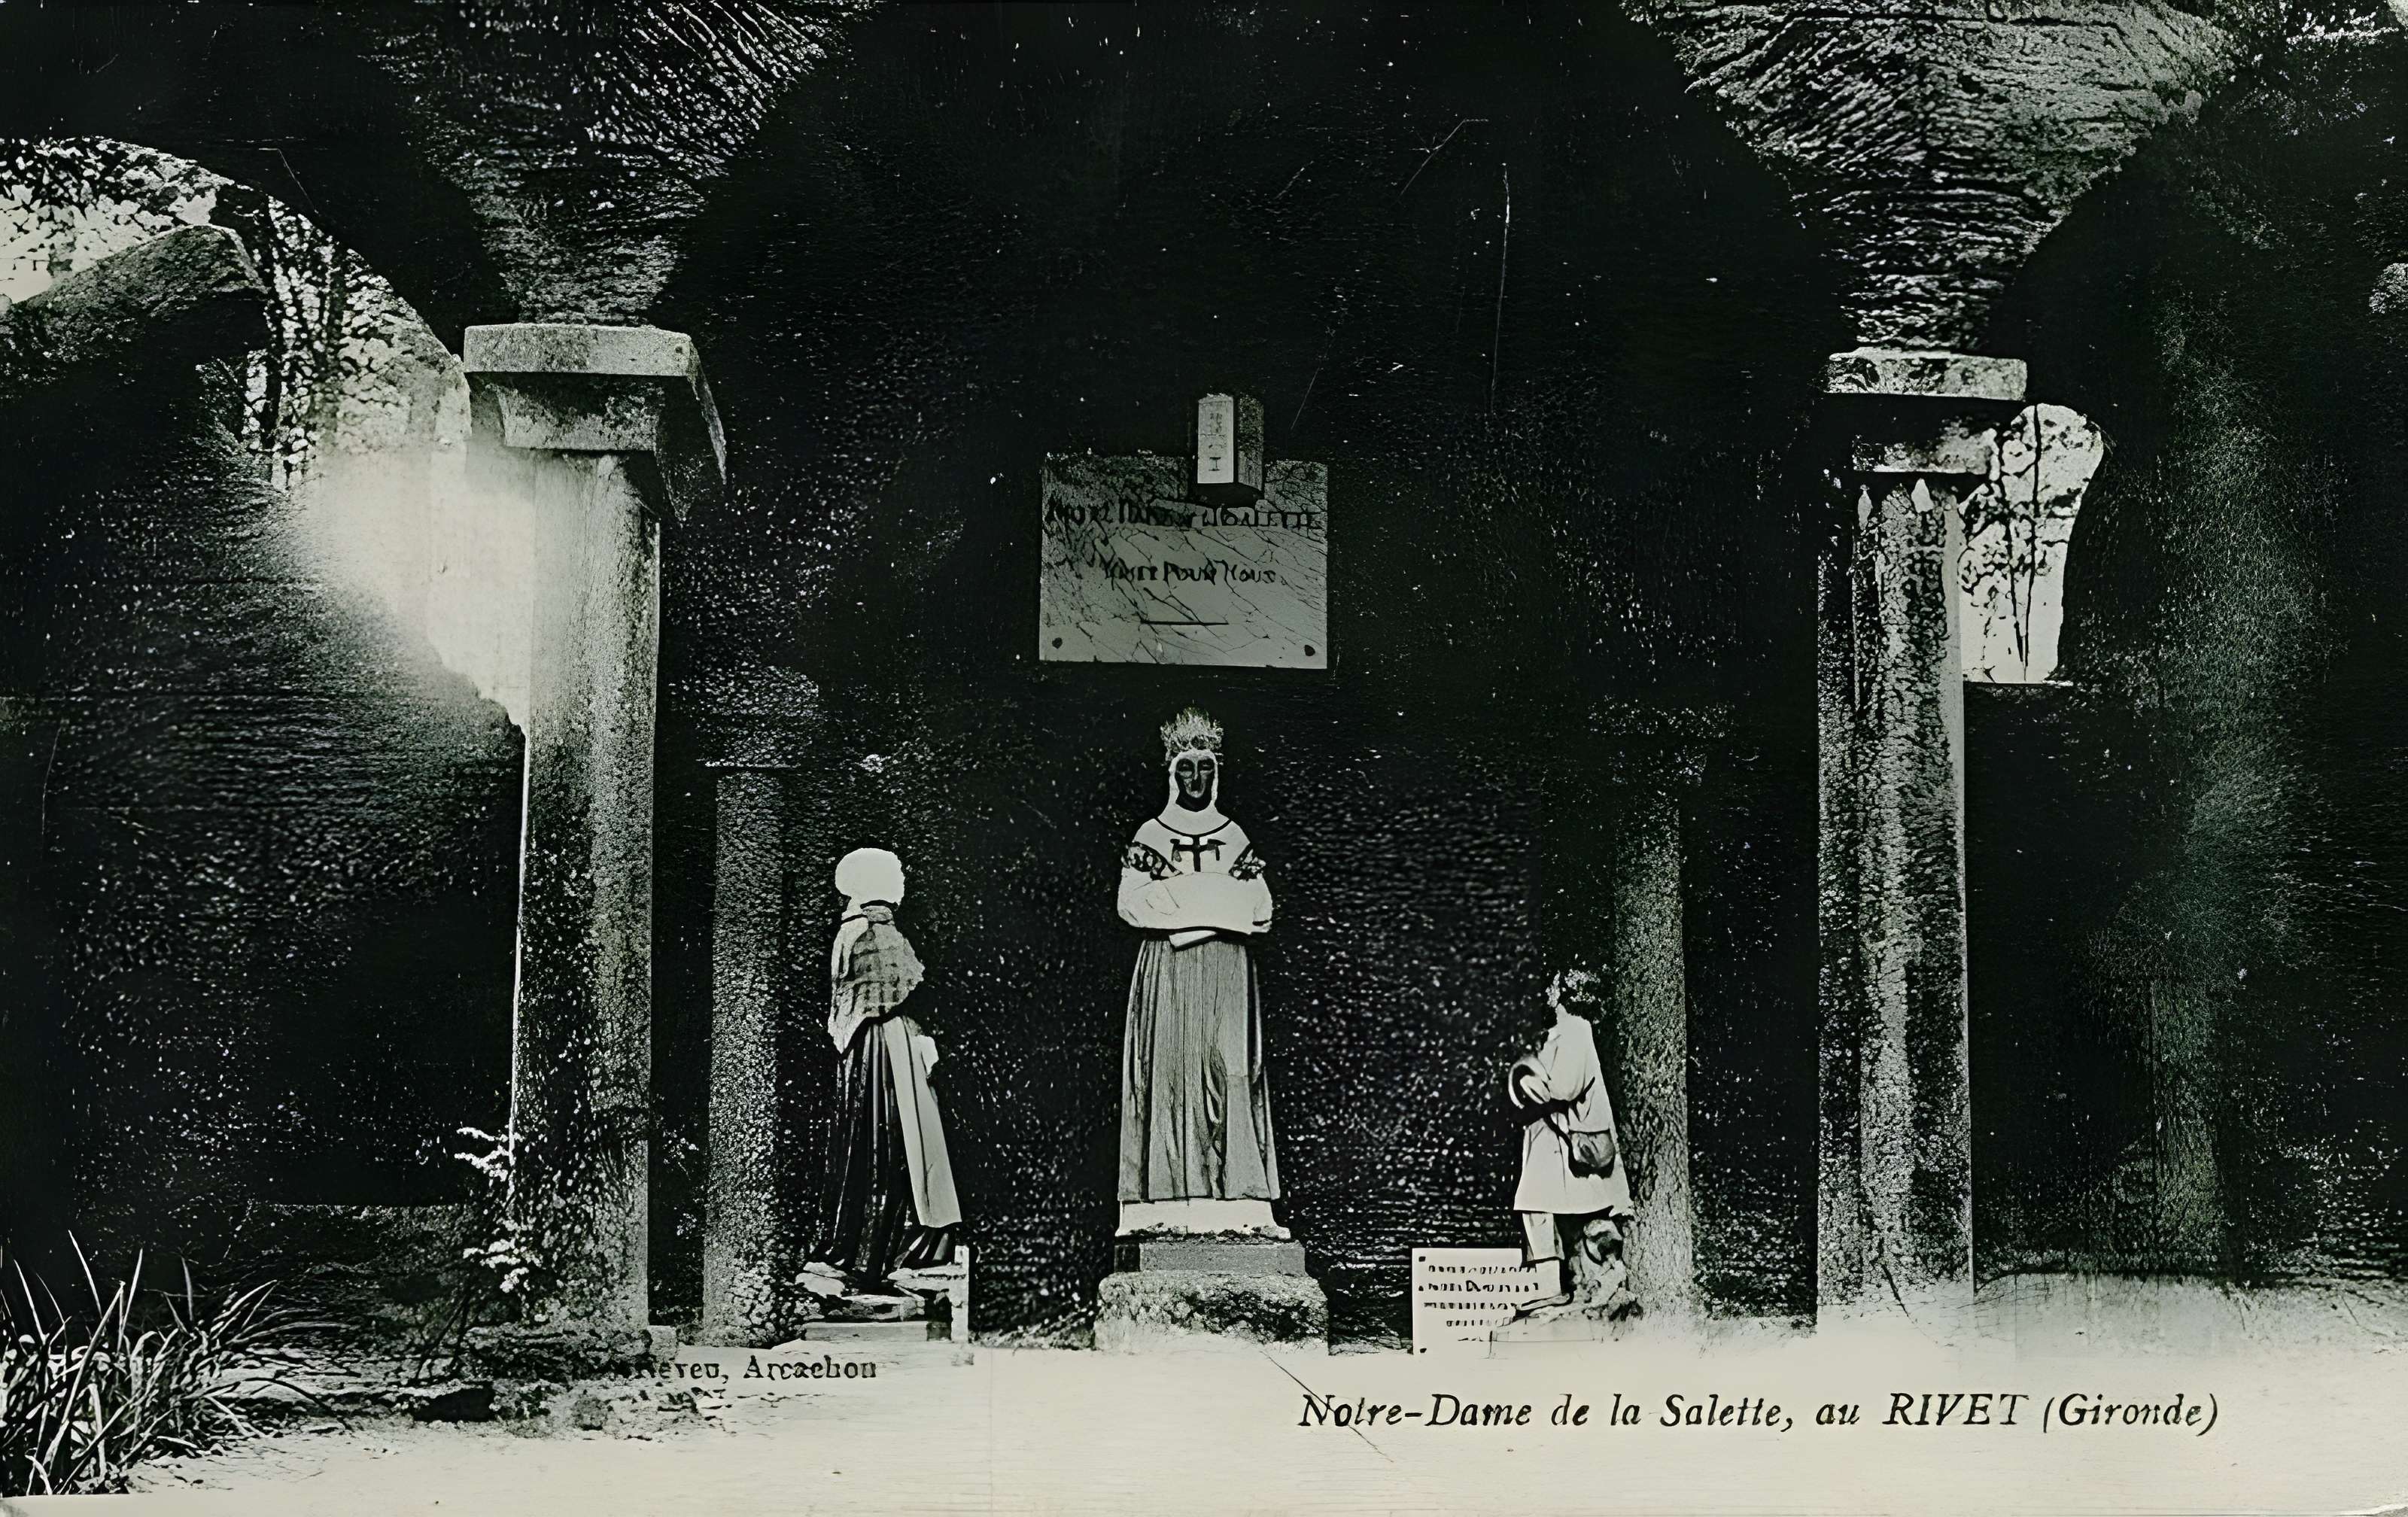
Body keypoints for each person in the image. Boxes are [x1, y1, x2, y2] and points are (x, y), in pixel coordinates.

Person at [1115, 707, 1282, 1235]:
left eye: (1205, 768)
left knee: (1230, 1069)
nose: (1196, 779)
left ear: (1218, 772)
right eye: (1186, 768)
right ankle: (1164, 1205)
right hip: (1170, 968)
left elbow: (1260, 910)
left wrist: (1185, 903)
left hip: (1227, 971)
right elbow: (1131, 907)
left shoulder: (1234, 836)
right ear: (1171, 772)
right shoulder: (1151, 832)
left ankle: (1241, 1202)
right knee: (1168, 1070)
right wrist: (1213, 905)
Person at [800, 847, 961, 1293]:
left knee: (878, 1142)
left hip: (873, 1044)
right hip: (885, 1044)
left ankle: (865, 1252)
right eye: (896, 875)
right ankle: (876, 1256)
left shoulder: (858, 929)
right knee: (889, 1142)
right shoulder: (874, 933)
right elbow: (892, 992)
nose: (903, 882)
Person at [1506, 968, 1635, 1315]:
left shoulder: (1576, 1030)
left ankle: (1567, 1287)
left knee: (1555, 1208)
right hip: (1551, 1138)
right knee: (1539, 1207)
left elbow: (1564, 1087)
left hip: (1567, 1141)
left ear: (1560, 993)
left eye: (1550, 987)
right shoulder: (1556, 1034)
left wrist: (1528, 1074)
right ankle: (1553, 1287)